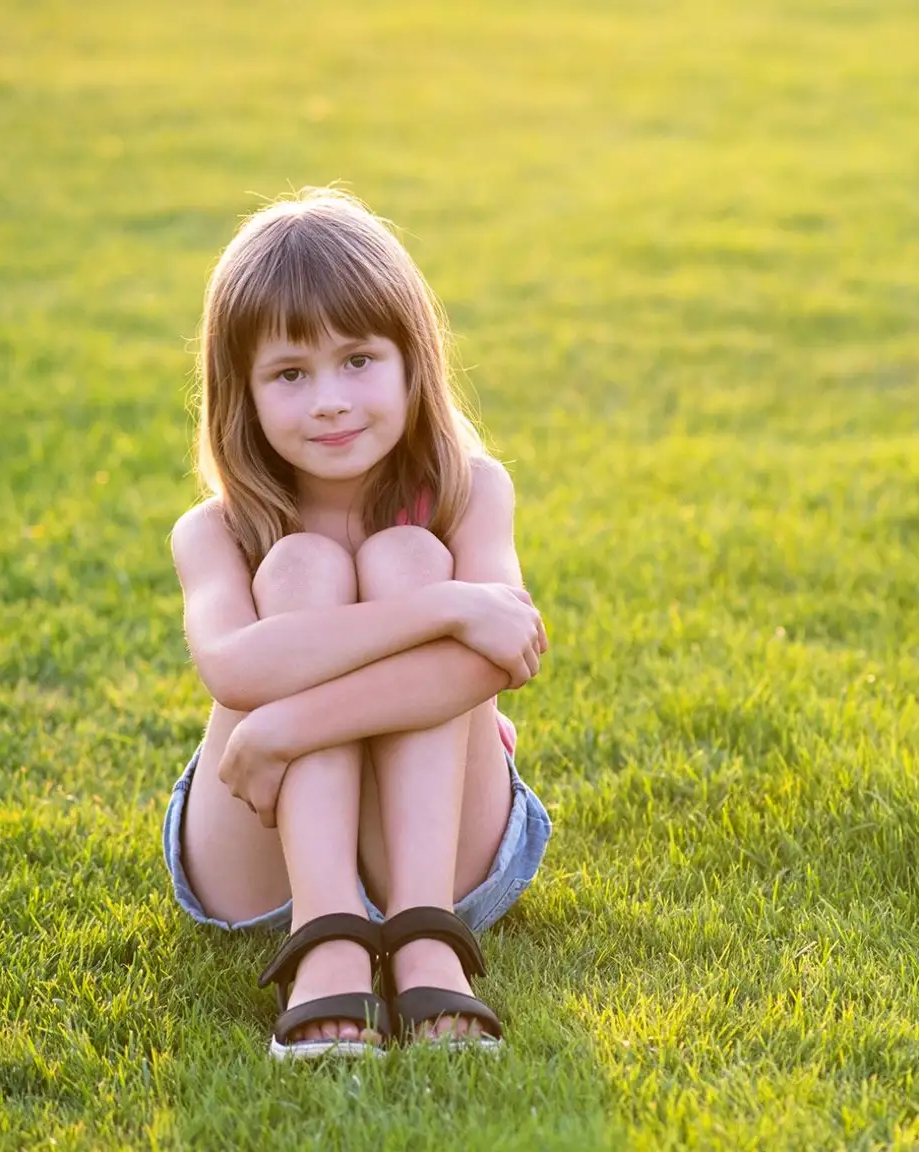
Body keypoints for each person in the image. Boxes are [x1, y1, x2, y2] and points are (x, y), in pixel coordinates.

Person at [159, 188, 552, 1060]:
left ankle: (424, 935)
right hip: (256, 861)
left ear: (415, 361)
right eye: (291, 374)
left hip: (445, 854)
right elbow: (235, 671)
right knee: (303, 567)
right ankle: (327, 933)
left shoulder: (472, 491)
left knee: (408, 552)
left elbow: (502, 657)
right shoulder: (215, 529)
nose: (330, 400)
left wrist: (289, 727)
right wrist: (446, 608)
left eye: (359, 360)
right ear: (243, 392)